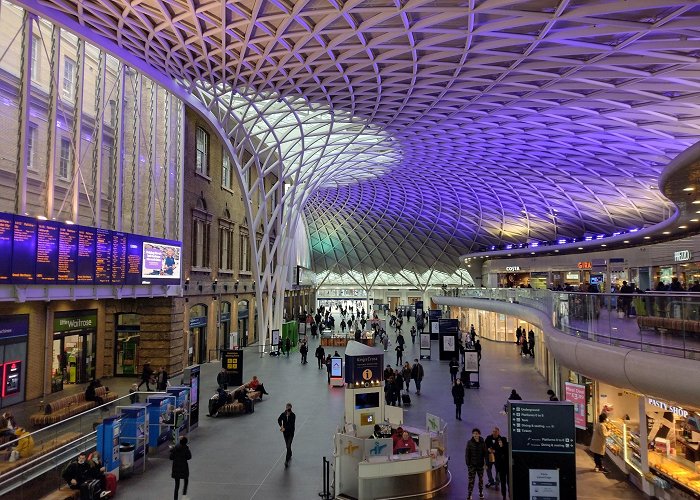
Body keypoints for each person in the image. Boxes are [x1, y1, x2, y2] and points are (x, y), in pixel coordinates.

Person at [465, 428, 487, 500]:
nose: (475, 435)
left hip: (480, 465)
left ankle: (481, 493)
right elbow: (467, 454)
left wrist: (485, 464)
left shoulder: (483, 443)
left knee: (481, 480)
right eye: (474, 433)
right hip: (472, 465)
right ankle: (469, 494)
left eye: (476, 433)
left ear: (479, 434)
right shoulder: (469, 442)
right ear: (472, 434)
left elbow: (485, 454)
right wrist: (468, 464)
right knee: (471, 481)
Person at [170, 435, 192, 499]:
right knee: (186, 480)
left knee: (177, 485)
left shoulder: (175, 448)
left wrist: (172, 450)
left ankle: (175, 499)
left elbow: (171, 457)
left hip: (176, 468)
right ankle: (184, 496)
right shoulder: (186, 448)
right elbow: (189, 457)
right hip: (184, 468)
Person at [278, 403, 296, 468]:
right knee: (288, 446)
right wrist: (281, 426)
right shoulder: (283, 414)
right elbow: (279, 420)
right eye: (287, 408)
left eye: (289, 409)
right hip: (285, 433)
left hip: (291, 433)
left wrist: (284, 428)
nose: (288, 412)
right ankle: (290, 453)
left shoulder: (293, 415)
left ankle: (286, 461)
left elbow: (291, 425)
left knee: (288, 445)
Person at [493, 433, 510, 499]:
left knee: (509, 483)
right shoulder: (498, 449)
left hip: (508, 469)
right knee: (503, 483)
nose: (499, 443)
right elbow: (497, 460)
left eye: (500, 441)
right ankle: (504, 496)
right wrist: (498, 469)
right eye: (499, 441)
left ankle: (510, 494)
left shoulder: (507, 449)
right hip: (502, 470)